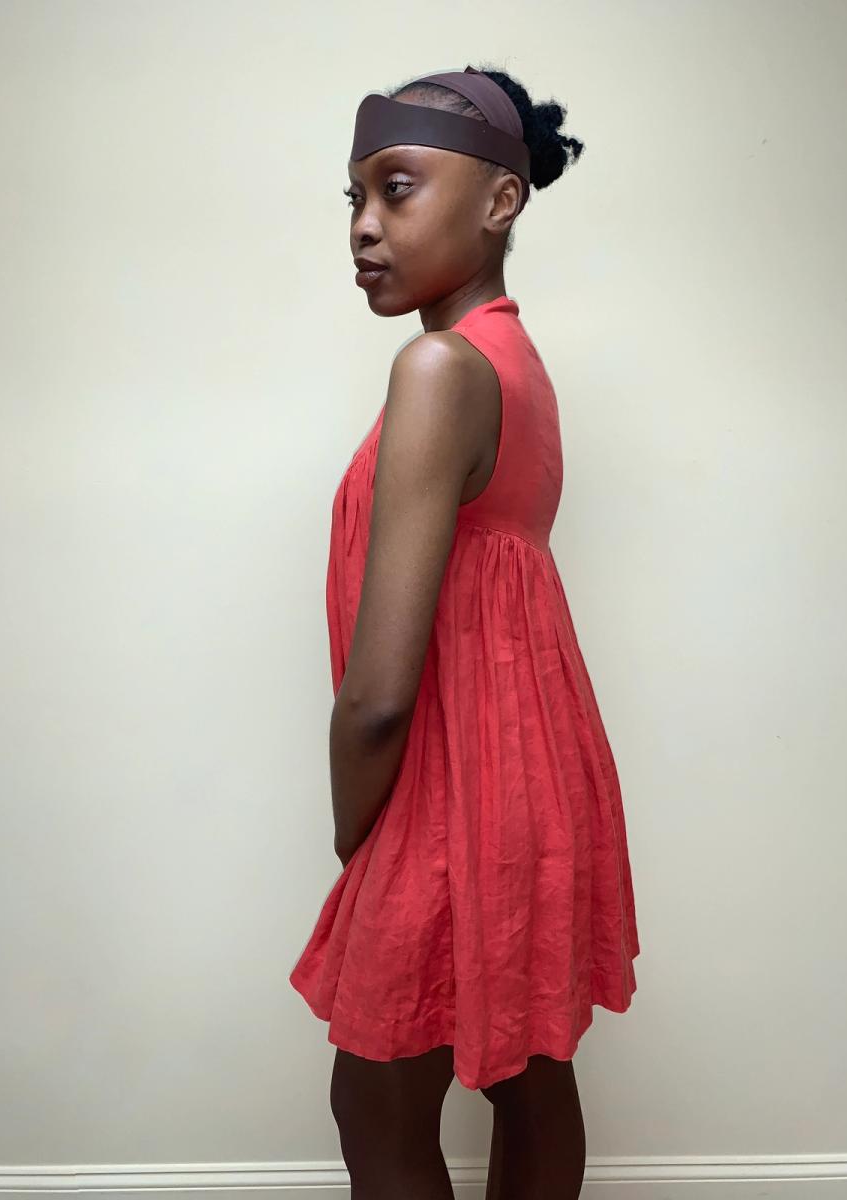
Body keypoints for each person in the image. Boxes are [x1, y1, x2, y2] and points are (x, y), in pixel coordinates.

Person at [289, 62, 641, 1200]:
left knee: (376, 1098)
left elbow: (380, 692)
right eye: (354, 197)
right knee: (529, 1077)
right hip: (534, 779)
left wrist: (356, 832)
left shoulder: (440, 367)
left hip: (452, 790)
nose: (364, 226)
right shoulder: (514, 365)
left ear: (501, 200)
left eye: (396, 188)